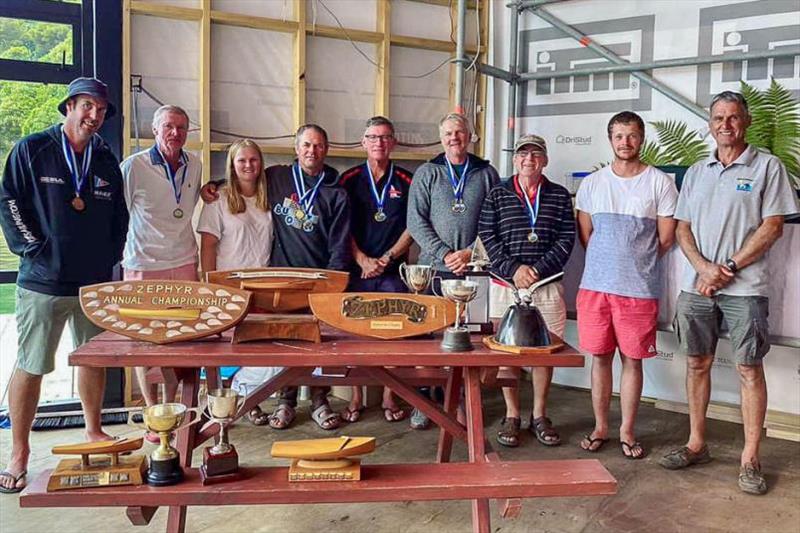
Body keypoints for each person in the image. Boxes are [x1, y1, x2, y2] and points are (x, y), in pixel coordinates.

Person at [660, 91, 799, 494]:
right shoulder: (697, 172)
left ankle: (750, 457)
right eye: (718, 117)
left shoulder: (768, 167)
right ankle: (696, 443)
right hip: (697, 286)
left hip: (747, 289)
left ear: (747, 122)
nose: (726, 124)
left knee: (748, 369)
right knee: (697, 364)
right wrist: (705, 269)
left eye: (733, 117)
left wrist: (729, 268)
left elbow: (772, 226)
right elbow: (682, 227)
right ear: (709, 124)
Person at [0, 77, 128, 493]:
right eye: (87, 106)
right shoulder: (33, 149)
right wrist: (32, 247)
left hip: (92, 284)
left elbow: (119, 218)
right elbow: (10, 201)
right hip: (44, 280)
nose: (94, 116)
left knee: (92, 361)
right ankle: (18, 451)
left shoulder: (106, 160)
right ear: (69, 106)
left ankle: (93, 430)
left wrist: (108, 257)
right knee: (33, 362)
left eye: (101, 109)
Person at [200, 124, 350, 431]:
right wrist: (212, 184)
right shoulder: (278, 177)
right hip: (278, 280)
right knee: (283, 345)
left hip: (317, 279)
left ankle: (320, 401)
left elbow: (339, 242)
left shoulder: (336, 191)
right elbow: (241, 174)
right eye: (306, 145)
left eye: (319, 145)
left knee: (318, 344)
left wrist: (333, 283)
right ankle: (284, 401)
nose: (312, 151)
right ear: (296, 149)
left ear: (327, 149)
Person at [575, 111, 678, 459]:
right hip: (595, 288)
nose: (625, 142)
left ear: (642, 139)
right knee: (600, 359)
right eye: (619, 136)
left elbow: (665, 240)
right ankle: (601, 426)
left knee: (633, 361)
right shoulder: (592, 183)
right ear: (610, 140)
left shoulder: (660, 183)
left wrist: (633, 263)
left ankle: (627, 431)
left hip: (638, 290)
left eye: (632, 136)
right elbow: (586, 235)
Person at [477, 134, 575, 447]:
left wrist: (537, 271)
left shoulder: (559, 196)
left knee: (545, 354)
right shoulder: (496, 194)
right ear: (515, 159)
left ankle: (539, 415)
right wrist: (514, 270)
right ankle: (512, 414)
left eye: (535, 154)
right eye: (522, 154)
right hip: (506, 285)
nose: (528, 160)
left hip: (546, 285)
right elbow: (487, 236)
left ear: (545, 160)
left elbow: (566, 239)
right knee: (507, 352)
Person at [407, 112, 500, 429]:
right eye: (447, 133)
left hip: (473, 270)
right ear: (440, 136)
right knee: (428, 341)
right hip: (434, 269)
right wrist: (445, 254)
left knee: (469, 340)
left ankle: (462, 400)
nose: (453, 138)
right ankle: (426, 401)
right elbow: (415, 222)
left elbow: (493, 220)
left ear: (469, 135)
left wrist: (469, 253)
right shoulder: (427, 172)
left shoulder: (486, 173)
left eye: (459, 132)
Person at [120, 105, 201, 435]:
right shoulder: (133, 166)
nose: (175, 133)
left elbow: (194, 198)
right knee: (144, 343)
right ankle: (153, 412)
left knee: (179, 340)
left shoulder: (194, 164)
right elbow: (118, 216)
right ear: (155, 130)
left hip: (183, 262)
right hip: (144, 265)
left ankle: (174, 407)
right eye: (168, 126)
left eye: (181, 127)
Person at [338, 116, 414, 423]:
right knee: (355, 335)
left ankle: (389, 396)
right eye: (373, 137)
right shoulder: (349, 179)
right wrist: (361, 260)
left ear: (393, 142)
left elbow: (415, 224)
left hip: (393, 270)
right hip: (358, 269)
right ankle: (356, 398)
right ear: (363, 143)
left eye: (384, 137)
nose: (379, 143)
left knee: (395, 334)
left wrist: (387, 257)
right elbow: (341, 226)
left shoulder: (408, 180)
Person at [198, 139, 275, 425]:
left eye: (253, 160)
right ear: (232, 164)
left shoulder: (270, 197)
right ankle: (221, 402)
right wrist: (210, 286)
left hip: (263, 288)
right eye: (241, 160)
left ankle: (244, 396)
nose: (248, 166)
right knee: (226, 351)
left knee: (266, 354)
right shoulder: (218, 199)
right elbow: (208, 246)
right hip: (227, 287)